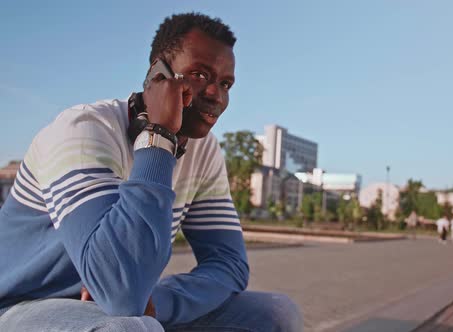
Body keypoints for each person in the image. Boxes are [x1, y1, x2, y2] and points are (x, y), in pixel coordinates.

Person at [0, 12, 302, 332]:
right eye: (200, 75)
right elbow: (122, 293)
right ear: (158, 75)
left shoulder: (204, 150)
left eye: (225, 83)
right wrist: (158, 137)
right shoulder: (82, 130)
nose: (217, 95)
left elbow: (229, 264)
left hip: (118, 309)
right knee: (129, 328)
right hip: (19, 306)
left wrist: (161, 300)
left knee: (276, 313)